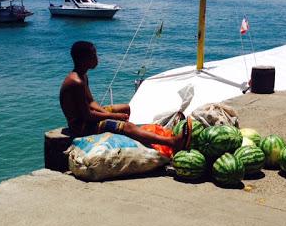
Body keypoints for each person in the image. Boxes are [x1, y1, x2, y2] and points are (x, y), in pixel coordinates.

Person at [59, 41, 192, 152]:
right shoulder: (75, 82)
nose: (97, 58)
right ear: (83, 59)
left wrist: (109, 113)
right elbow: (87, 115)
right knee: (126, 126)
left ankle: (132, 134)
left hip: (87, 118)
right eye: (93, 55)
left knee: (125, 108)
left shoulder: (82, 76)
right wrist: (113, 117)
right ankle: (171, 142)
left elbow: (91, 102)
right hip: (81, 127)